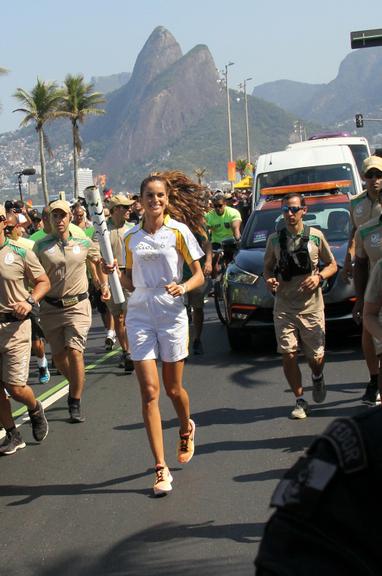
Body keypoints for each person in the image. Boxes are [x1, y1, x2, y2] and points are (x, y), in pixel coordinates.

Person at [107, 171, 205, 496]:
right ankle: (161, 469)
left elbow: (200, 275)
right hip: (140, 312)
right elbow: (130, 281)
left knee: (173, 389)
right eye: (149, 195)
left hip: (172, 310)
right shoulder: (131, 238)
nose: (155, 200)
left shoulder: (179, 232)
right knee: (150, 392)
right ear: (141, 200)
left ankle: (185, 426)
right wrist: (114, 277)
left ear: (166, 199)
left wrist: (184, 286)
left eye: (160, 195)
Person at [34, 200, 110, 423]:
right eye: (55, 216)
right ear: (49, 220)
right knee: (58, 357)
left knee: (75, 351)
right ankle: (77, 382)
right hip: (50, 308)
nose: (59, 220)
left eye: (63, 215)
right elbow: (32, 275)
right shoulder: (41, 247)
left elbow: (97, 262)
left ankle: (74, 400)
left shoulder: (83, 242)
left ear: (69, 218)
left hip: (77, 305)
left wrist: (102, 284)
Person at [263, 193, 337, 419]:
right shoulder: (274, 240)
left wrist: (319, 277)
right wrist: (269, 280)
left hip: (311, 306)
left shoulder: (315, 237)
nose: (290, 213)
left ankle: (317, 376)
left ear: (304, 210)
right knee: (288, 353)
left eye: (294, 209)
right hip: (284, 305)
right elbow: (267, 268)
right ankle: (299, 400)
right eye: (285, 209)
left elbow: (332, 264)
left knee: (316, 357)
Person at [0, 204, 51, 455]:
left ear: (4, 222)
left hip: (16, 326)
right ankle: (13, 434)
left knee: (16, 387)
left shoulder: (20, 251)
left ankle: (34, 408)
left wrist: (29, 301)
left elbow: (43, 281)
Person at [353, 156, 382, 404]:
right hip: (375, 289)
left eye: (379, 174)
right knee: (369, 331)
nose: (375, 180)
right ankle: (374, 380)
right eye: (370, 175)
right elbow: (360, 259)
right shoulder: (359, 209)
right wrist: (359, 299)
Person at [104, 193, 135, 370]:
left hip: (129, 276)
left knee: (131, 316)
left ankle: (133, 349)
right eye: (125, 207)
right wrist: (102, 283)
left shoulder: (133, 228)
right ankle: (126, 352)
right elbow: (95, 255)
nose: (129, 209)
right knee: (119, 316)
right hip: (111, 277)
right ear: (116, 210)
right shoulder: (102, 231)